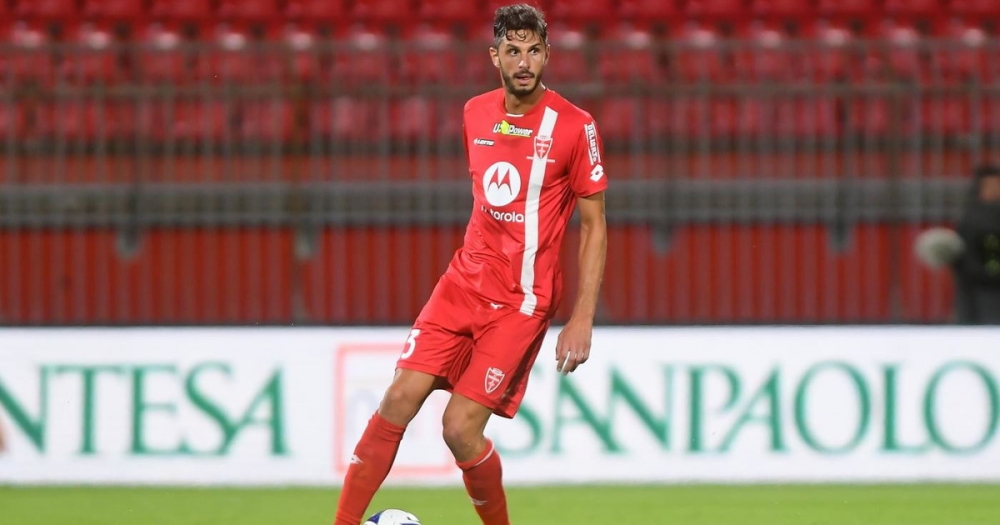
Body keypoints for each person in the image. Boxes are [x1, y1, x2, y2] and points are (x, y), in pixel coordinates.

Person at [332, 4, 608, 525]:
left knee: (459, 428)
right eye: (512, 51)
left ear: (547, 55)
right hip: (462, 285)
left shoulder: (575, 127)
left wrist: (583, 317)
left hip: (520, 302)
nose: (523, 62)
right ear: (494, 57)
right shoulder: (475, 113)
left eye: (533, 51)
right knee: (398, 398)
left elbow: (595, 225)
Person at [915, 164, 1000, 324]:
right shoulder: (971, 218)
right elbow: (965, 257)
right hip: (977, 291)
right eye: (990, 186)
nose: (995, 190)